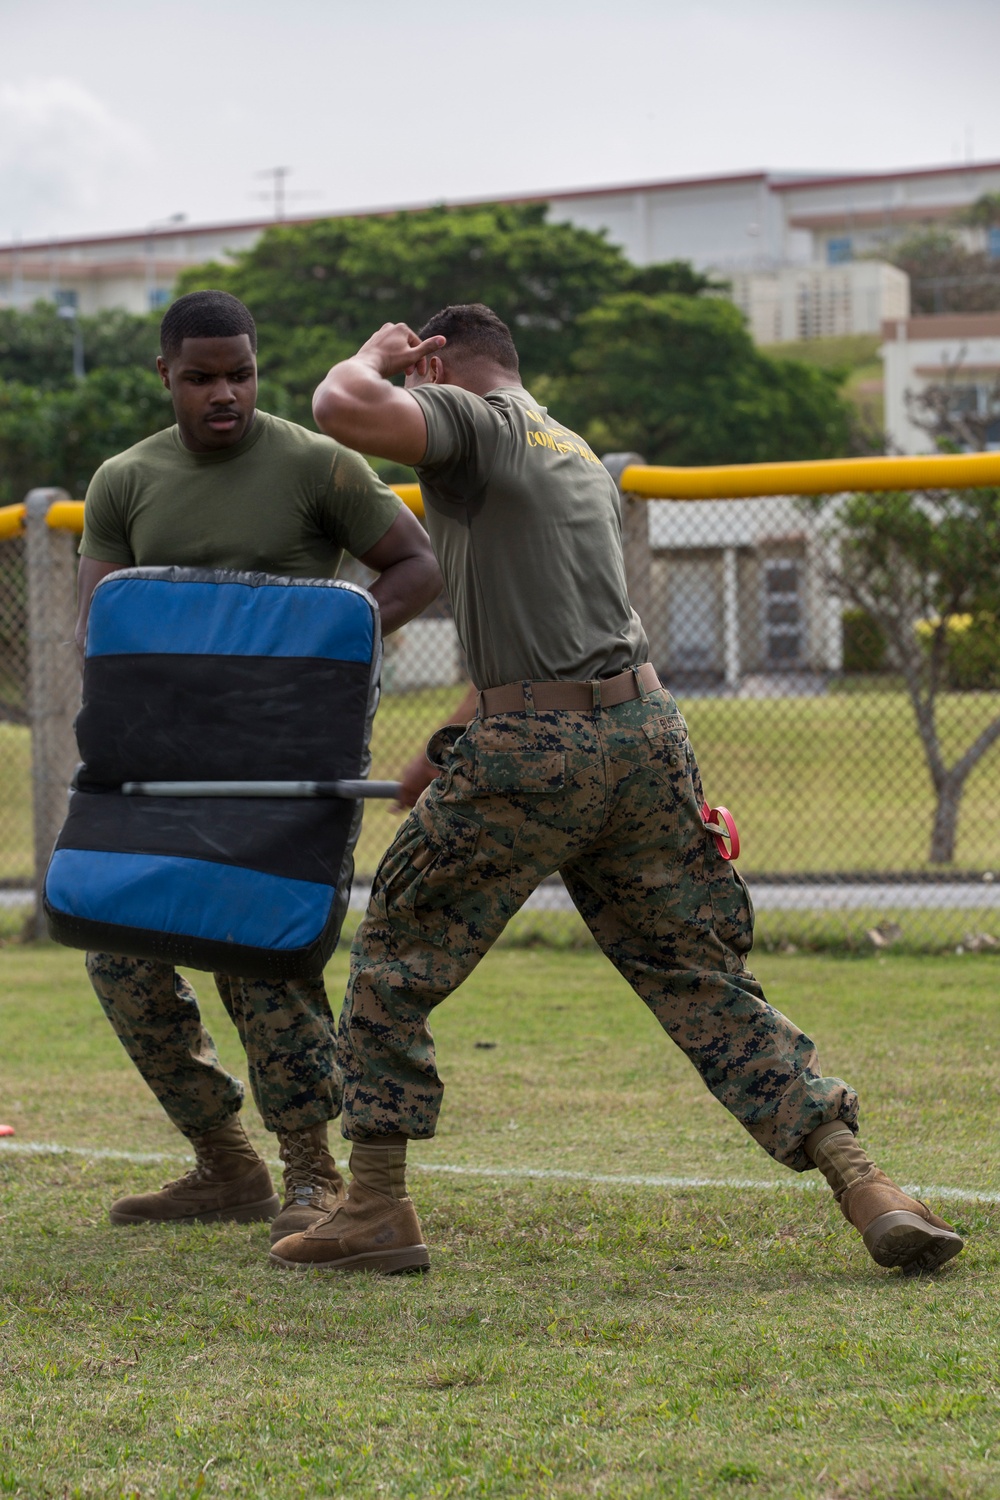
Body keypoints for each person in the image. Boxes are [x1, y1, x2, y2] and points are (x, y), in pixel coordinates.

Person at [269, 302, 964, 1278]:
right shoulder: (571, 450)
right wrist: (454, 731)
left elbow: (341, 405)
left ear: (440, 368)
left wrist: (375, 356)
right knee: (697, 980)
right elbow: (559, 623)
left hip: (535, 750)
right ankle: (866, 1184)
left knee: (394, 959)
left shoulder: (478, 422)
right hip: (641, 737)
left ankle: (375, 1207)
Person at [74, 290, 441, 1245]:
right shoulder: (122, 481)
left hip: (284, 758)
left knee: (264, 960)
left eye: (239, 374)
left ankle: (312, 1174)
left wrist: (323, 641)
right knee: (120, 953)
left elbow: (415, 566)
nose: (223, 394)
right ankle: (225, 1163)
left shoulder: (317, 463)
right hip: (164, 760)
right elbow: (98, 626)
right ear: (166, 377)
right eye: (201, 379)